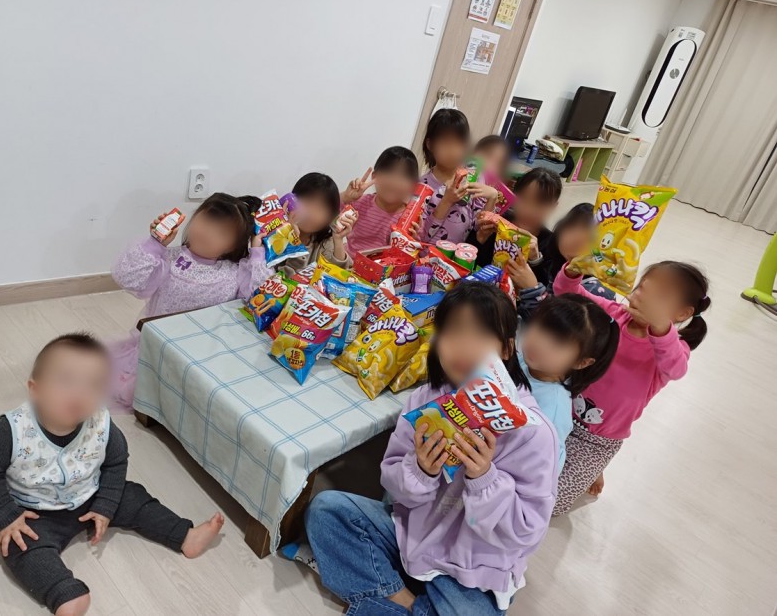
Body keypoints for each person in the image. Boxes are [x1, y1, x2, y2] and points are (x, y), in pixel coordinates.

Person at [304, 282, 559, 615]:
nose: (464, 347)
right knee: (326, 511)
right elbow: (393, 484)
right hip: (411, 538)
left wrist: (485, 478)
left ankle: (380, 601)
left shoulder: (532, 431)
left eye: (481, 335)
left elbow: (526, 533)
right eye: (452, 332)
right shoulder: (425, 399)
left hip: (472, 570)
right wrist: (420, 470)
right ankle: (403, 601)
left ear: (507, 348)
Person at [0, 333, 224, 616]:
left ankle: (184, 535)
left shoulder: (101, 422)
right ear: (35, 389)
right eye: (66, 381)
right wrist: (7, 516)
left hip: (90, 494)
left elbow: (116, 462)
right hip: (34, 512)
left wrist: (105, 505)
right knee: (20, 545)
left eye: (93, 385)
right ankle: (64, 593)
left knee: (133, 496)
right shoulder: (10, 430)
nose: (79, 393)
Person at [552, 260, 710, 514]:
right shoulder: (612, 313)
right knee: (522, 462)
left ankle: (594, 466)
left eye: (660, 296)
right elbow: (567, 294)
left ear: (681, 314)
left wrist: (660, 328)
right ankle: (590, 469)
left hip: (598, 441)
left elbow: (677, 369)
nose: (645, 297)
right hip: (559, 412)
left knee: (553, 503)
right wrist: (573, 270)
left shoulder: (671, 347)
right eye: (644, 287)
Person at [109, 193, 271, 410]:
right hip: (159, 348)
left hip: (205, 353)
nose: (207, 233)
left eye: (221, 233)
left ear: (233, 245)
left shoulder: (234, 272)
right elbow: (129, 278)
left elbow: (261, 296)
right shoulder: (169, 258)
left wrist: (257, 253)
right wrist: (155, 244)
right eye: (205, 222)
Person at [518, 294, 620, 470]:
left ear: (581, 362)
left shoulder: (553, 411)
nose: (539, 343)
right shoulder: (525, 360)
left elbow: (545, 471)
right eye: (540, 327)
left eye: (557, 343)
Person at [419, 109, 501, 245]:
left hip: (458, 255)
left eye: (459, 143)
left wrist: (492, 197)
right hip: (427, 256)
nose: (453, 150)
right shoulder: (422, 186)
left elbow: (477, 227)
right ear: (430, 144)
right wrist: (446, 201)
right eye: (446, 143)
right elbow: (421, 237)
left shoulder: (473, 177)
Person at [469, 168, 562, 275]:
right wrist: (479, 239)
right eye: (524, 200)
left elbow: (548, 283)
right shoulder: (497, 222)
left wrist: (535, 260)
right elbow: (469, 262)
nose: (529, 211)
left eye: (540, 204)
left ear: (553, 206)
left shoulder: (553, 246)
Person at [341, 146, 420, 258]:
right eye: (389, 172)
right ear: (374, 176)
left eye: (404, 176)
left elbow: (412, 254)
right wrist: (346, 197)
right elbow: (329, 215)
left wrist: (414, 239)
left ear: (414, 186)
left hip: (383, 268)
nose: (394, 181)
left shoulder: (410, 218)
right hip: (349, 261)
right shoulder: (359, 202)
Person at [280, 172, 355, 275]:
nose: (311, 213)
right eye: (307, 203)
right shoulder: (277, 237)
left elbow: (341, 275)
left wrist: (338, 240)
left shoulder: (324, 241)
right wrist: (295, 241)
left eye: (320, 208)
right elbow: (283, 278)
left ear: (330, 216)